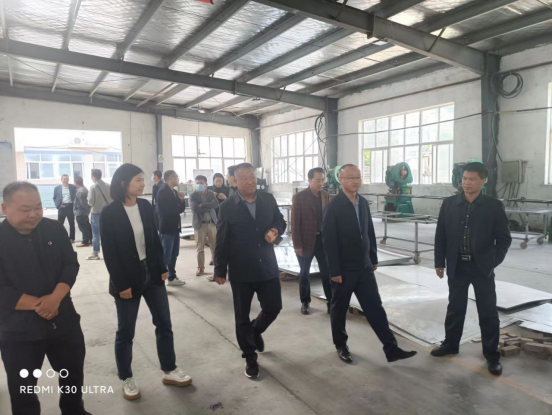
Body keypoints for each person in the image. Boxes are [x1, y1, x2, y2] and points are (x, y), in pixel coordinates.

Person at [100, 164, 192, 401]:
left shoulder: (144, 205)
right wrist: (121, 285)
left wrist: (162, 267)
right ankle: (126, 377)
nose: (143, 184)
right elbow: (110, 252)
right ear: (124, 184)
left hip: (152, 272)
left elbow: (154, 239)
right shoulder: (110, 213)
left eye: (143, 180)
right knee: (126, 331)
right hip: (126, 278)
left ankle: (169, 369)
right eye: (138, 180)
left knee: (164, 323)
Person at [0, 182, 91, 415]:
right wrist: (42, 304)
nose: (34, 214)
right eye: (26, 209)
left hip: (63, 321)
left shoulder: (54, 229)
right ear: (5, 208)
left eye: (38, 207)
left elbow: (70, 264)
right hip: (19, 331)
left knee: (72, 376)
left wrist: (55, 298)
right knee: (23, 389)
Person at [322, 164, 417, 364]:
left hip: (364, 267)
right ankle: (341, 345)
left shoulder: (363, 203)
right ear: (340, 180)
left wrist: (373, 258)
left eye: (358, 177)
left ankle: (391, 348)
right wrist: (334, 270)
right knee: (339, 309)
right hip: (344, 269)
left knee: (375, 307)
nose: (355, 181)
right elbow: (329, 241)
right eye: (351, 177)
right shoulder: (334, 206)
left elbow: (369, 232)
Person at [432, 162, 511, 376]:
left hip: (481, 268)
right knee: (455, 308)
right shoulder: (449, 204)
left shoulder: (493, 206)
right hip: (457, 265)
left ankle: (491, 355)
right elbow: (441, 235)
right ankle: (451, 344)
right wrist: (439, 262)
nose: (467, 183)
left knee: (487, 311)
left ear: (483, 181)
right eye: (464, 179)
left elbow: (504, 239)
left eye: (472, 179)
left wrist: (492, 261)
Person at [214, 163, 286, 379]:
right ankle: (250, 357)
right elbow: (222, 240)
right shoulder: (227, 207)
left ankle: (255, 331)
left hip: (267, 265)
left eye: (252, 176)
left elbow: (280, 221)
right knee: (242, 316)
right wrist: (220, 269)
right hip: (241, 269)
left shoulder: (268, 199)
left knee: (273, 308)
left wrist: (275, 230)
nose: (250, 181)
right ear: (234, 181)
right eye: (244, 177)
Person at [291, 167, 332, 315]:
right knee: (304, 274)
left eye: (322, 180)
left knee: (327, 273)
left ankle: (331, 302)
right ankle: (305, 302)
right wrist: (297, 245)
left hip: (322, 241)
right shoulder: (299, 197)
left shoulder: (325, 195)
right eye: (317, 180)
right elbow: (295, 223)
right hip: (305, 241)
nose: (320, 183)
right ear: (309, 180)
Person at [157, 170, 186, 287]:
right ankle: (160, 281)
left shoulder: (174, 191)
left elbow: (179, 210)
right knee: (166, 255)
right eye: (176, 177)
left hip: (175, 227)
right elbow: (169, 210)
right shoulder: (163, 191)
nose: (178, 179)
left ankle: (171, 276)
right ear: (170, 178)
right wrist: (177, 206)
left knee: (174, 254)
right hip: (167, 227)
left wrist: (182, 200)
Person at [189, 175, 219, 278]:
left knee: (214, 246)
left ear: (206, 184)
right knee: (200, 247)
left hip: (212, 223)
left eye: (201, 183)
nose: (199, 185)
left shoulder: (210, 193)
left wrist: (201, 205)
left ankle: (217, 267)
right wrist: (209, 205)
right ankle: (200, 268)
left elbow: (216, 205)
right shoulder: (193, 195)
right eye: (197, 183)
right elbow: (195, 209)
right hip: (199, 224)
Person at [87, 168, 111, 260]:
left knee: (96, 234)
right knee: (107, 233)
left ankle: (96, 253)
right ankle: (109, 252)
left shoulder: (93, 187)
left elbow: (90, 202)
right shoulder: (108, 186)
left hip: (96, 213)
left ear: (93, 177)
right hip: (107, 213)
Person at [53, 174, 76, 243]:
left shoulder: (72, 187)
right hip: (62, 207)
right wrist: (59, 205)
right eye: (64, 179)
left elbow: (76, 196)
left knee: (71, 223)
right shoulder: (57, 188)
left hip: (70, 206)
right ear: (61, 180)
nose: (65, 180)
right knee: (59, 224)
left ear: (68, 180)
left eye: (67, 179)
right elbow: (54, 198)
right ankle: (60, 238)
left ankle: (72, 238)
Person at [74, 176, 92, 248]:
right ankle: (91, 239)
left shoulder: (80, 191)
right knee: (87, 226)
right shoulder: (85, 189)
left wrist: (87, 209)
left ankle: (85, 241)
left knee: (83, 227)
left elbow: (82, 203)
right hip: (84, 212)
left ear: (75, 183)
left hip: (80, 212)